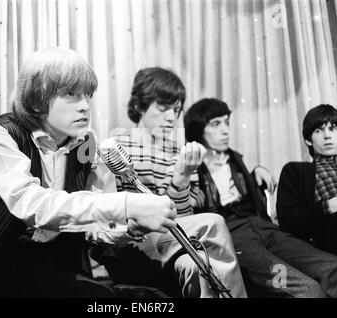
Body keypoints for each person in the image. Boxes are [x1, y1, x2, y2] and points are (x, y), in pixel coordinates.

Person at [0, 48, 177, 298]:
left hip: (52, 268)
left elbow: (96, 229)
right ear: (38, 97)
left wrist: (128, 227)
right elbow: (32, 203)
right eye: (71, 94)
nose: (85, 105)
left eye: (88, 95)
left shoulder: (87, 143)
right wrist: (126, 204)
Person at [92, 67, 247, 298]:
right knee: (214, 223)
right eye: (163, 108)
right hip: (128, 248)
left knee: (198, 266)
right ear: (140, 106)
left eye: (176, 109)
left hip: (170, 244)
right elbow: (106, 220)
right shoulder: (114, 147)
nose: (172, 117)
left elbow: (183, 223)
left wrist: (182, 177)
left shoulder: (182, 153)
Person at [184, 98, 337, 297]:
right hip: (231, 236)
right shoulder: (190, 167)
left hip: (264, 228)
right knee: (307, 289)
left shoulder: (234, 160)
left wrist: (255, 172)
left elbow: (238, 189)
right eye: (216, 124)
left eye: (226, 123)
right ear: (199, 131)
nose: (225, 130)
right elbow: (189, 210)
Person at [277, 104, 337, 273]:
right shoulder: (296, 171)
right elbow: (288, 222)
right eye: (319, 131)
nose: (327, 136)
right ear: (308, 140)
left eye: (333, 128)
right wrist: (335, 204)